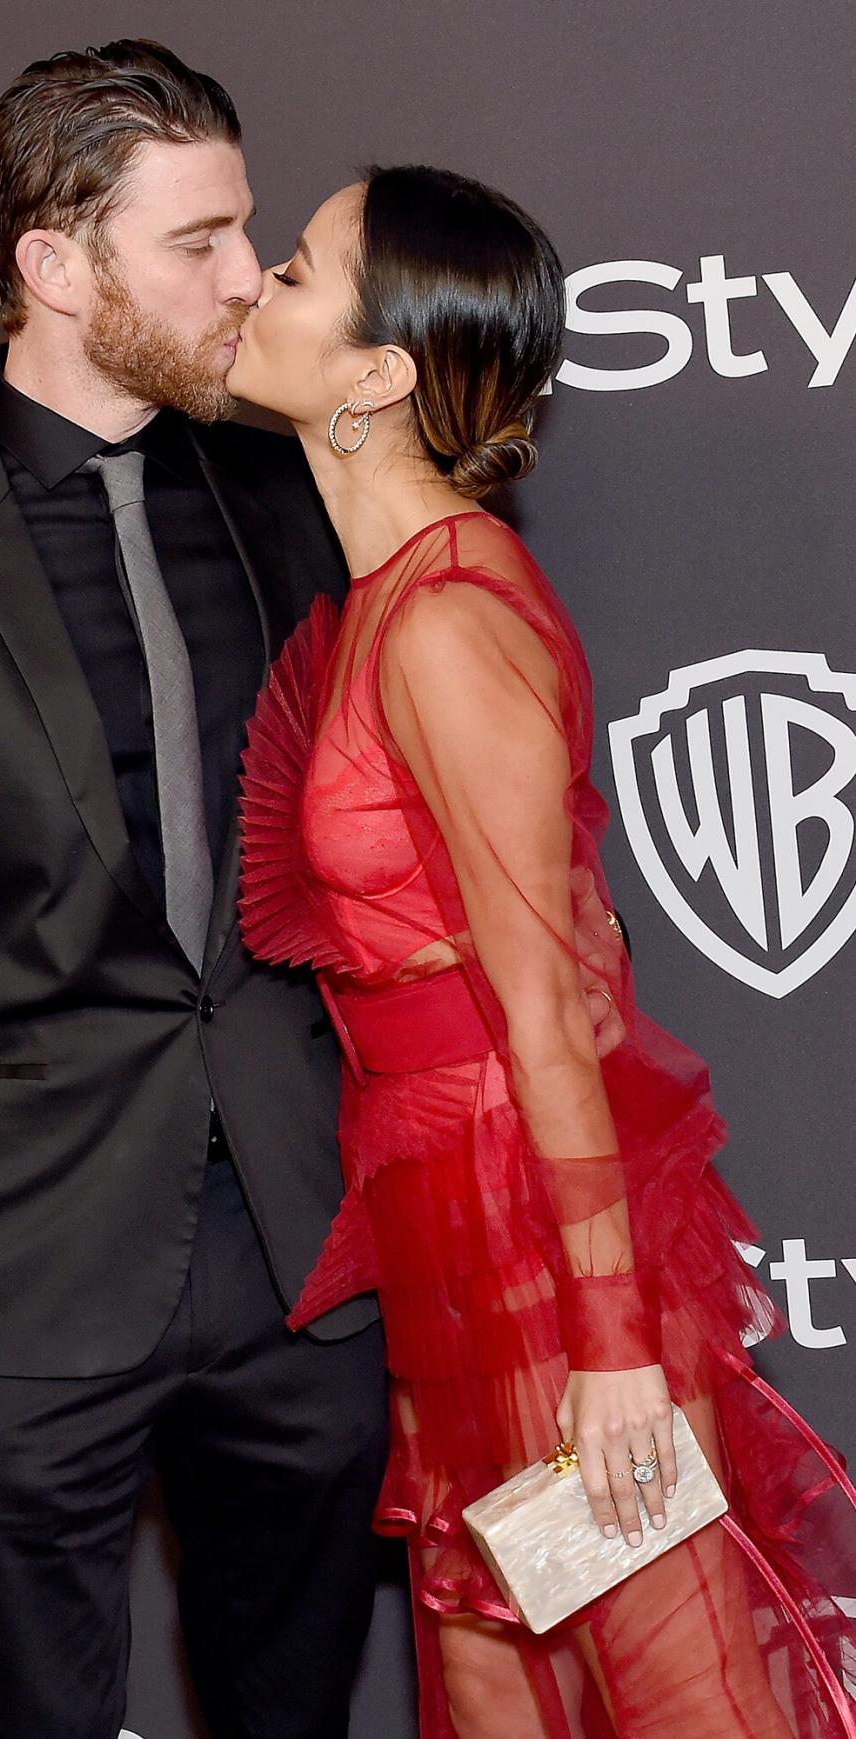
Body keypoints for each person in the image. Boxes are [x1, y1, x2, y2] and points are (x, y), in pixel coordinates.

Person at [0, 40, 620, 1737]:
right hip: (16, 1286)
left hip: (315, 1271)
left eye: (251, 235)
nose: (242, 278)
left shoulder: (314, 495)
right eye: (197, 242)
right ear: (55, 268)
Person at [229, 165, 856, 1736]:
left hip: (533, 1242)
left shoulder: (444, 622)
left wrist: (612, 1347)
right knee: (496, 1680)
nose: (254, 287)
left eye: (295, 271)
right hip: (450, 1233)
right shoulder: (386, 601)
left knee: (677, 1692)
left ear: (375, 376)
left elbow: (552, 1008)